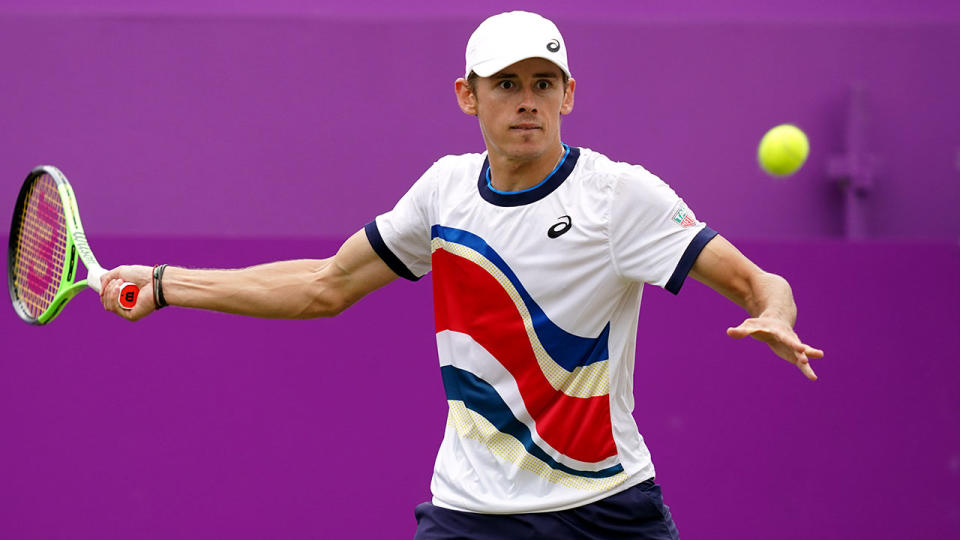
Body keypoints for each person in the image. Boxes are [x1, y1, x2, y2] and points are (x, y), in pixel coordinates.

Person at [101, 11, 823, 540]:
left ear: (570, 94)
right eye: (506, 83)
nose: (527, 99)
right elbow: (326, 285)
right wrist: (165, 284)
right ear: (466, 96)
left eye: (544, 82)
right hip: (471, 516)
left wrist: (777, 316)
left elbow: (759, 283)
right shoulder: (444, 193)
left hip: (608, 511)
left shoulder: (618, 196)